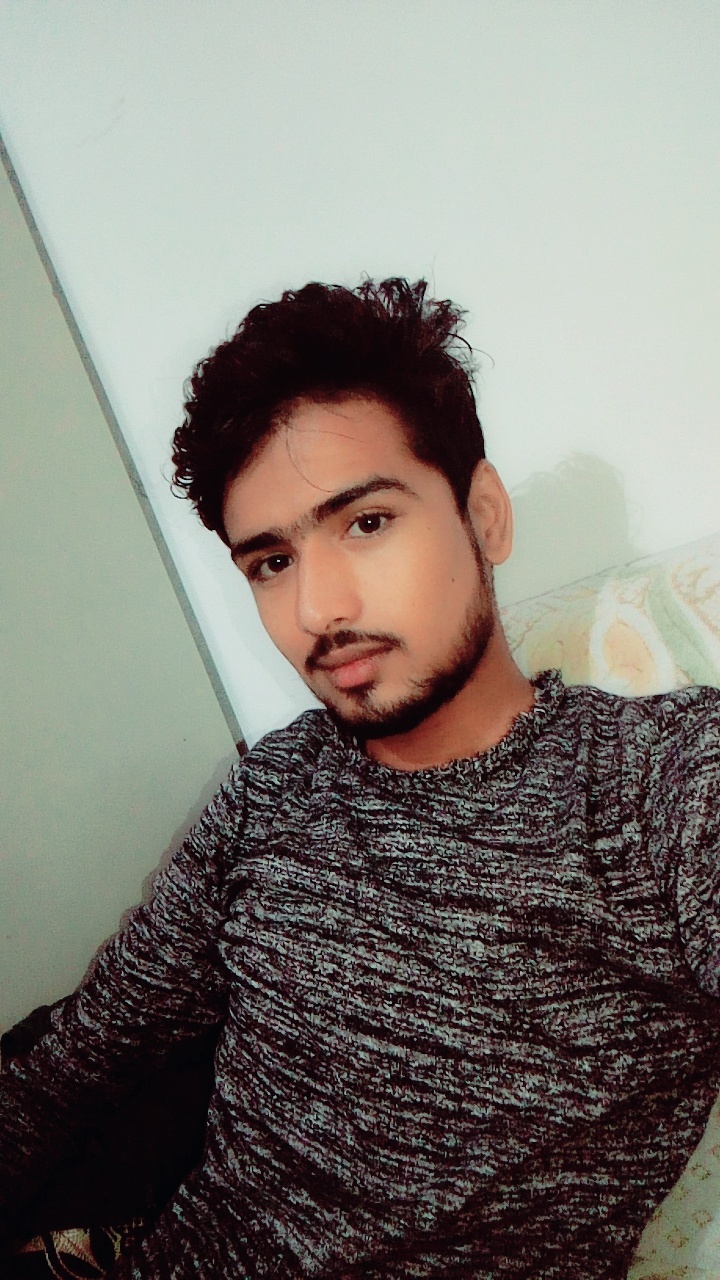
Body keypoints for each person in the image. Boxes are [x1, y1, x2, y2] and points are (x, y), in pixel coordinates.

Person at [1, 278, 720, 1279]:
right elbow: (78, 1063)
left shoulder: (658, 785)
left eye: (366, 522)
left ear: (484, 516)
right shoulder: (273, 787)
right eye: (270, 562)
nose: (318, 609)